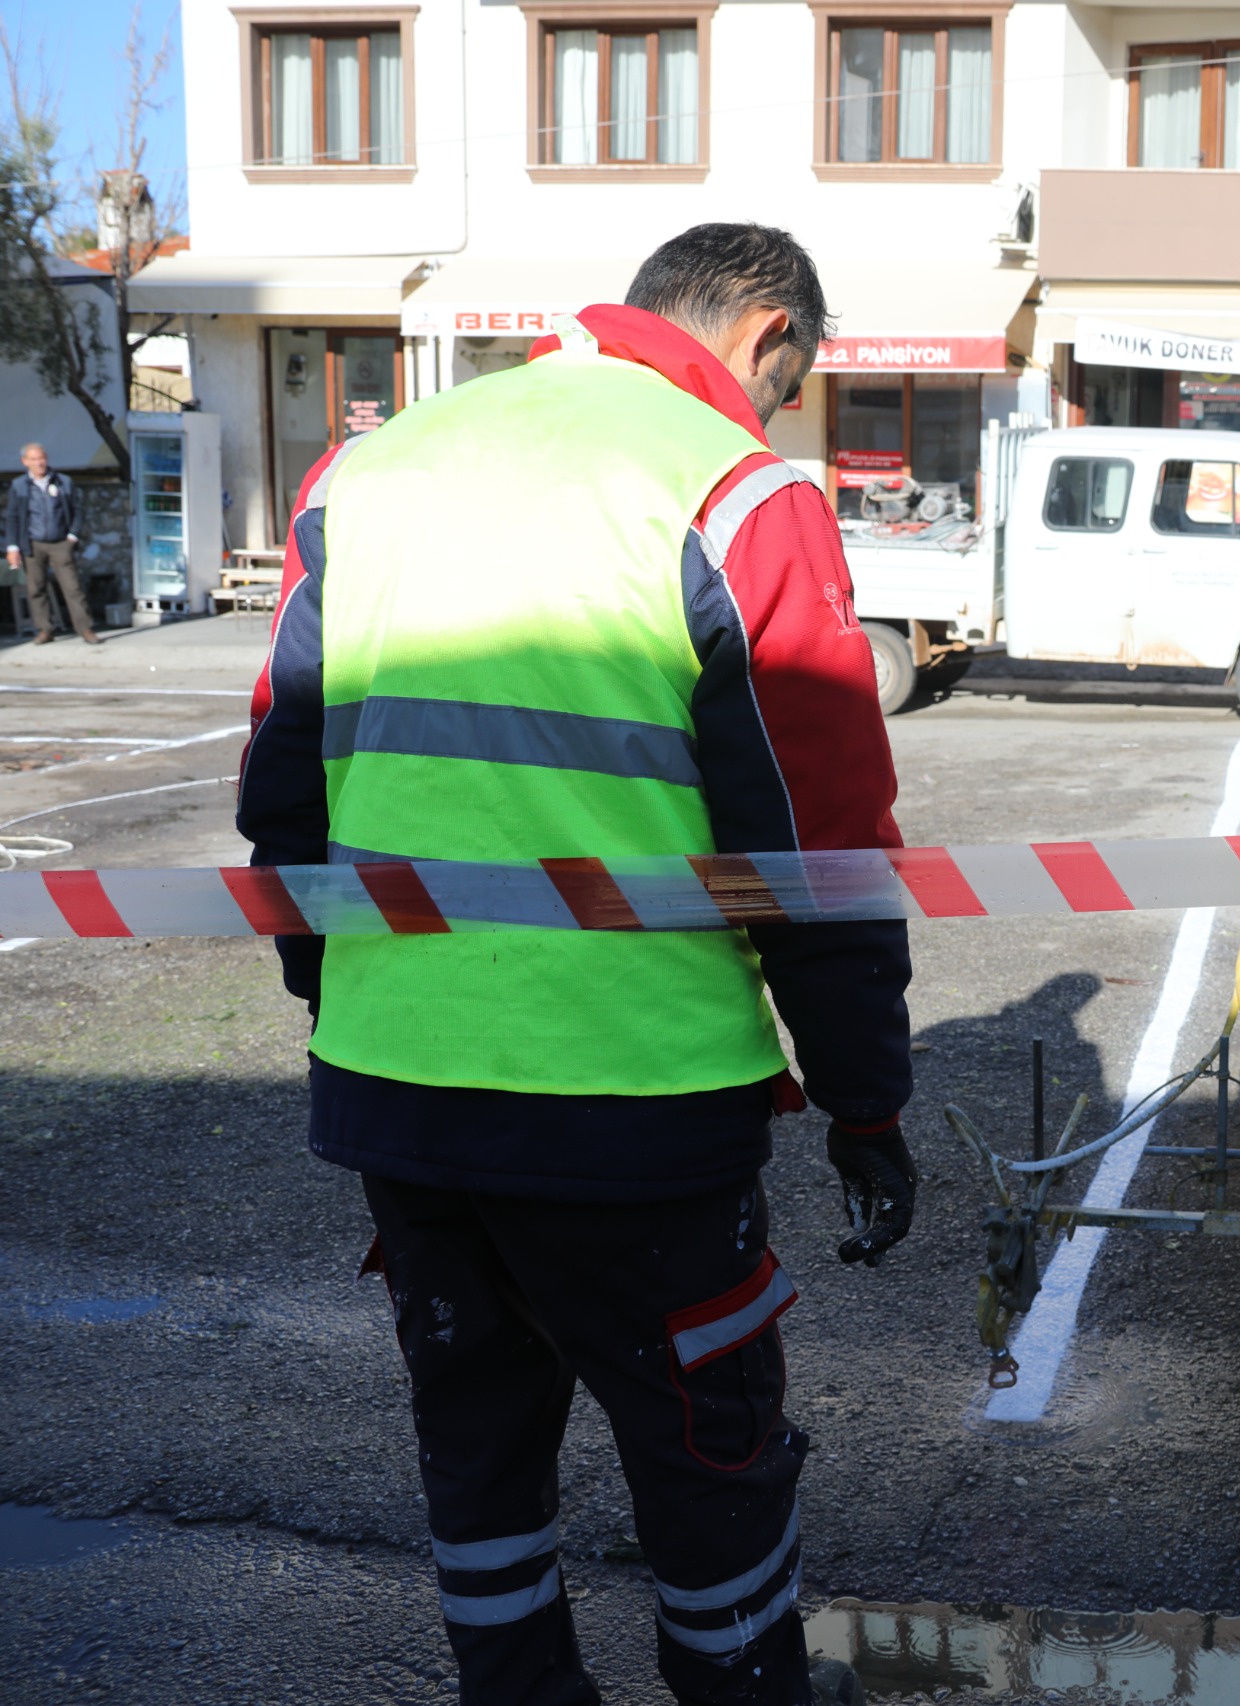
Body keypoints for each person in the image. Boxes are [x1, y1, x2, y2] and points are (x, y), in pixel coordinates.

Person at [235, 224, 913, 1706]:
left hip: (399, 1091)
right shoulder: (735, 492)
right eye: (790, 378)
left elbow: (282, 787)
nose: (779, 408)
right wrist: (866, 1102)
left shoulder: (372, 471)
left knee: (478, 1451)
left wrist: (344, 995)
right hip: (641, 1106)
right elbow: (822, 845)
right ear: (766, 332)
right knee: (708, 1458)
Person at [7, 441, 101, 644]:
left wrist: (72, 536)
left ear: (46, 459)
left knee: (72, 587)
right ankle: (45, 629)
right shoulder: (19, 485)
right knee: (36, 588)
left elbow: (77, 510)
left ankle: (85, 629)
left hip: (61, 543)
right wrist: (12, 546)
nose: (39, 463)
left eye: (41, 458)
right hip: (33, 543)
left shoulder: (63, 482)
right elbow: (13, 517)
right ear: (25, 462)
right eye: (34, 459)